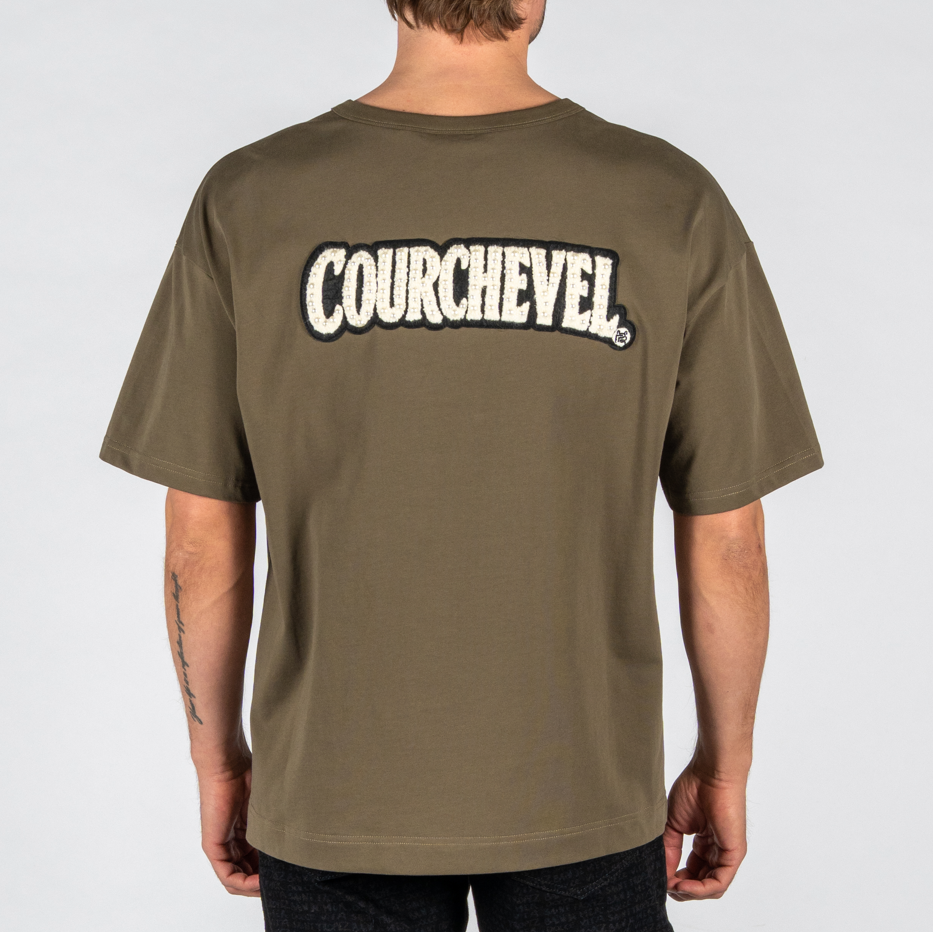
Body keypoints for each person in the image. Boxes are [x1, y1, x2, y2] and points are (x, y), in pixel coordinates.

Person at [100, 1, 823, 929]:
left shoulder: (250, 197)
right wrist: (724, 766)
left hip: (333, 793)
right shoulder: (667, 197)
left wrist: (218, 764)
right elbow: (729, 539)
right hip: (585, 789)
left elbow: (199, 537)